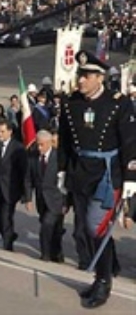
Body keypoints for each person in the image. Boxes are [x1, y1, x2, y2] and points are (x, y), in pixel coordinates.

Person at [57, 50, 136, 309]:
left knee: (96, 227)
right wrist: (61, 172)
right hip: (80, 172)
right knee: (84, 229)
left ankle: (103, 280)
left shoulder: (118, 103)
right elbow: (66, 141)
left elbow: (130, 142)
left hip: (106, 174)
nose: (81, 80)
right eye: (80, 74)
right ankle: (107, 267)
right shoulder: (70, 102)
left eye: (87, 75)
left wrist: (130, 178)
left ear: (100, 77)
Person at [0, 119, 28, 251]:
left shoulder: (18, 148)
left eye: (2, 132)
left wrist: (24, 193)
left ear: (10, 132)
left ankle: (7, 243)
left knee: (6, 216)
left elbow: (23, 171)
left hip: (11, 188)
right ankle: (9, 234)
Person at [24, 130, 65, 262]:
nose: (39, 147)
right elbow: (28, 179)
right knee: (51, 227)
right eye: (38, 144)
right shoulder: (33, 158)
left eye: (42, 145)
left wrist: (67, 202)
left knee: (48, 226)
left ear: (49, 143)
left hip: (56, 200)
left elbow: (66, 182)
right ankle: (56, 253)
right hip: (41, 200)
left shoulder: (59, 158)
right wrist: (29, 198)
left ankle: (46, 254)